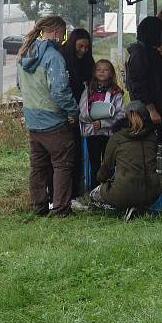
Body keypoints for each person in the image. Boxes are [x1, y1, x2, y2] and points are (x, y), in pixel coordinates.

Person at [17, 16, 79, 217]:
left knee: (37, 167)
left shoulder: (24, 53)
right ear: (55, 32)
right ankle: (60, 209)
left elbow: (20, 86)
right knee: (62, 165)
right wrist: (73, 111)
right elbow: (59, 91)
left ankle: (39, 206)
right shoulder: (54, 57)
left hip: (33, 122)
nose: (63, 38)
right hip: (54, 122)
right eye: (63, 34)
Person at [89, 101, 161, 222]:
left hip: (124, 191)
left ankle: (122, 208)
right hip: (152, 191)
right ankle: (137, 207)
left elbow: (106, 167)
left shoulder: (117, 137)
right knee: (135, 191)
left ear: (125, 117)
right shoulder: (153, 137)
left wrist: (101, 180)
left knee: (94, 195)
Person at [126, 17, 162, 142]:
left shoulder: (151, 52)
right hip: (148, 114)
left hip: (158, 111)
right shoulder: (140, 54)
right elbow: (139, 85)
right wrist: (151, 109)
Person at [79, 59, 125, 191]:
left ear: (111, 73)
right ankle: (94, 191)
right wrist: (90, 122)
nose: (102, 72)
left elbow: (120, 115)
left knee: (108, 163)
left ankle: (108, 191)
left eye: (105, 70)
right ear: (94, 72)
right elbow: (82, 110)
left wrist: (104, 123)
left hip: (109, 134)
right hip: (93, 133)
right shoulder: (88, 89)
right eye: (98, 70)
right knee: (94, 163)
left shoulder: (116, 92)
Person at [61, 28, 95, 201]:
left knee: (79, 152)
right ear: (72, 44)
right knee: (67, 153)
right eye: (80, 46)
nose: (83, 50)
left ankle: (78, 189)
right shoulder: (63, 60)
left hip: (83, 111)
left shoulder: (88, 62)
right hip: (66, 111)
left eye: (86, 47)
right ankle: (67, 192)